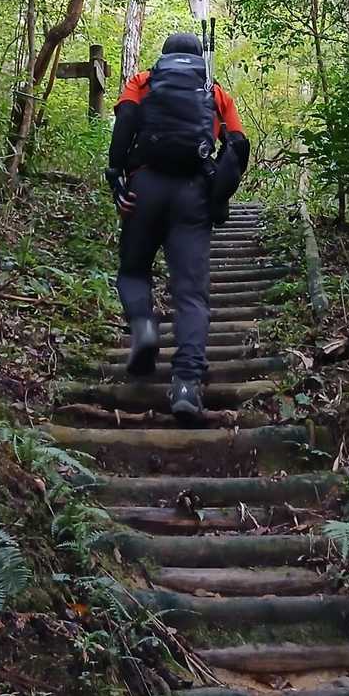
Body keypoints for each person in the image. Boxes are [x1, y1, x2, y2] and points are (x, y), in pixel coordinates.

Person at [104, 31, 250, 420]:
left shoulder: (143, 81)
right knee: (191, 294)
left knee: (133, 271)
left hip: (144, 188)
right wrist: (219, 196)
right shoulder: (215, 93)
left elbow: (126, 121)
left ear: (164, 56)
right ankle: (186, 384)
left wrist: (116, 174)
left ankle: (144, 329)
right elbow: (238, 146)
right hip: (193, 195)